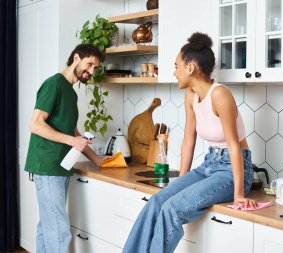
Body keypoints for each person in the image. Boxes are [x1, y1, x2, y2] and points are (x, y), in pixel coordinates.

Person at [123, 32, 256, 253]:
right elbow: (188, 139)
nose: (174, 72)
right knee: (157, 202)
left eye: (176, 66)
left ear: (191, 68)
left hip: (231, 170)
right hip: (208, 165)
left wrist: (239, 194)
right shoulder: (191, 95)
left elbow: (234, 146)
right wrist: (181, 182)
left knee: (172, 209)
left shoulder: (220, 95)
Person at [24, 44, 111, 253]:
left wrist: (95, 159)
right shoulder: (54, 84)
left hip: (60, 166)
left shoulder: (70, 93)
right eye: (89, 65)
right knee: (58, 230)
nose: (90, 72)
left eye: (94, 69)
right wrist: (72, 141)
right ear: (76, 58)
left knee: (47, 227)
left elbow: (72, 131)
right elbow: (35, 124)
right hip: (47, 166)